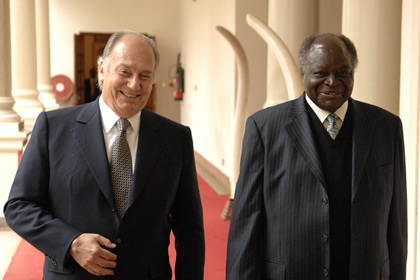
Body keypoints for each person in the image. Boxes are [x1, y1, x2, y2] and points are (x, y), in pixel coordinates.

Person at [4, 31, 205, 279]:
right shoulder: (53, 128)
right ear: (102, 69)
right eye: (124, 72)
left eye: (145, 75)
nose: (134, 84)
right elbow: (19, 207)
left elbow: (190, 230)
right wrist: (71, 243)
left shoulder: (175, 138)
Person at [226, 33, 407, 280]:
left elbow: (396, 225)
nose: (332, 82)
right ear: (303, 73)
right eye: (321, 73)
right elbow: (246, 226)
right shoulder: (264, 128)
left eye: (343, 72)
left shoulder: (387, 127)